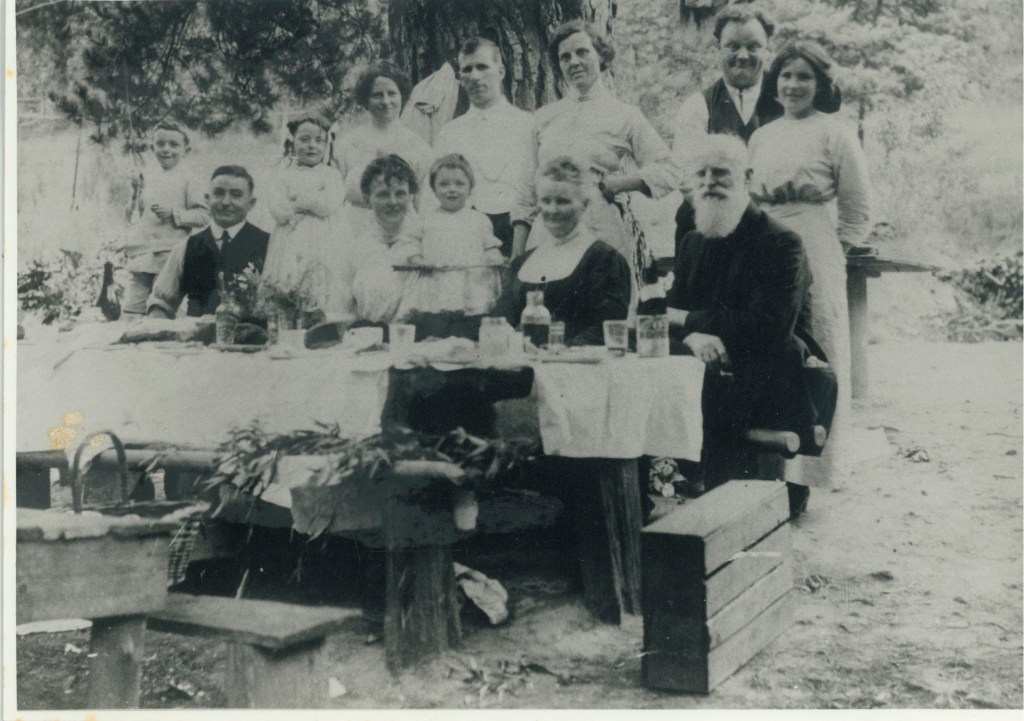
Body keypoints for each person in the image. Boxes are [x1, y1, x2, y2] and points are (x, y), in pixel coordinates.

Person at [667, 134, 817, 513]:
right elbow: (669, 314)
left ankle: (727, 506)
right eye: (700, 174)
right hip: (708, 367)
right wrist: (693, 336)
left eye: (720, 173)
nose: (708, 182)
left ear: (747, 177)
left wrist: (690, 322)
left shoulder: (781, 242)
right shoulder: (692, 243)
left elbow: (768, 328)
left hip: (769, 373)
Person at [748, 41, 870, 489]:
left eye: (804, 77)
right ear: (774, 82)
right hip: (764, 242)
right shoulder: (762, 135)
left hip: (814, 244)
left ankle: (816, 470)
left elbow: (858, 210)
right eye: (786, 75)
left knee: (818, 343)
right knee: (770, 342)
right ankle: (772, 464)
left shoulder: (835, 133)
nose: (793, 85)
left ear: (820, 85)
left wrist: (829, 253)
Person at [510, 20, 681, 284]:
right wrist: (517, 255)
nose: (574, 62)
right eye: (565, 57)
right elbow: (526, 192)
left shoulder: (625, 115)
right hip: (547, 232)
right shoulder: (544, 118)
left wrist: (620, 183)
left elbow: (669, 170)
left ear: (600, 56)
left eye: (582, 52)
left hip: (600, 230)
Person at [497, 156, 630, 345]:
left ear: (584, 205)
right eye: (546, 201)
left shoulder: (604, 260)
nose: (553, 210)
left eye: (563, 201)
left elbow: (604, 331)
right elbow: (501, 322)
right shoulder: (522, 263)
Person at [434, 37, 533, 257]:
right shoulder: (449, 133)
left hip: (522, 233)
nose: (475, 76)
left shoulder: (528, 125)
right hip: (467, 237)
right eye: (467, 70)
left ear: (501, 71)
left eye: (482, 67)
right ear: (460, 78)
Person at [147, 165, 269, 319]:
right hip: (197, 333)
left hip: (253, 334)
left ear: (251, 203)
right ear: (207, 199)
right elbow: (161, 303)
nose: (226, 202)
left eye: (236, 195)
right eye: (218, 193)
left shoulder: (269, 246)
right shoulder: (187, 247)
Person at [259, 112, 347, 323]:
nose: (311, 146)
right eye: (304, 140)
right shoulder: (283, 174)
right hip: (289, 239)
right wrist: (308, 202)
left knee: (322, 279)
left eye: (319, 141)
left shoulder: (331, 175)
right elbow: (278, 209)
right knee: (288, 279)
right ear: (293, 141)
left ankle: (321, 322)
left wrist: (298, 201)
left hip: (323, 238)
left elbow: (328, 204)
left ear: (327, 144)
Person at [398, 154, 504, 328]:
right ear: (434, 189)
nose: (452, 189)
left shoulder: (479, 220)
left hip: (470, 286)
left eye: (459, 184)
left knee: (469, 325)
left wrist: (493, 258)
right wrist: (418, 260)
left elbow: (490, 247)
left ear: (470, 188)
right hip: (435, 285)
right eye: (444, 184)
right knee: (435, 325)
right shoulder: (426, 220)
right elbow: (410, 244)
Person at [122, 120, 210, 315]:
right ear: (152, 147)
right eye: (160, 144)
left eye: (174, 145)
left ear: (186, 150)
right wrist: (135, 193)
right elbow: (133, 217)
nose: (166, 149)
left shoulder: (190, 179)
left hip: (169, 255)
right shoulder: (147, 176)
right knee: (131, 310)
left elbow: (205, 216)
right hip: (143, 253)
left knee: (163, 308)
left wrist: (174, 214)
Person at [332, 64, 433, 233]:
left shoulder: (418, 146)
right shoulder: (347, 144)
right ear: (366, 99)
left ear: (402, 96)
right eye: (377, 95)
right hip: (355, 231)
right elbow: (334, 197)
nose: (386, 101)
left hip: (403, 232)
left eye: (392, 93)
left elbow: (426, 204)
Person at [671, 3, 782, 154]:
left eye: (753, 47)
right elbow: (688, 165)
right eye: (733, 47)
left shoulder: (786, 100)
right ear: (719, 48)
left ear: (767, 48)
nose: (743, 56)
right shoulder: (697, 108)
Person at [338, 154, 423, 324]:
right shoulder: (355, 251)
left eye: (400, 194)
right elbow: (343, 311)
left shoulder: (424, 244)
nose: (393, 202)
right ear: (367, 199)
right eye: (383, 195)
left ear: (410, 197)